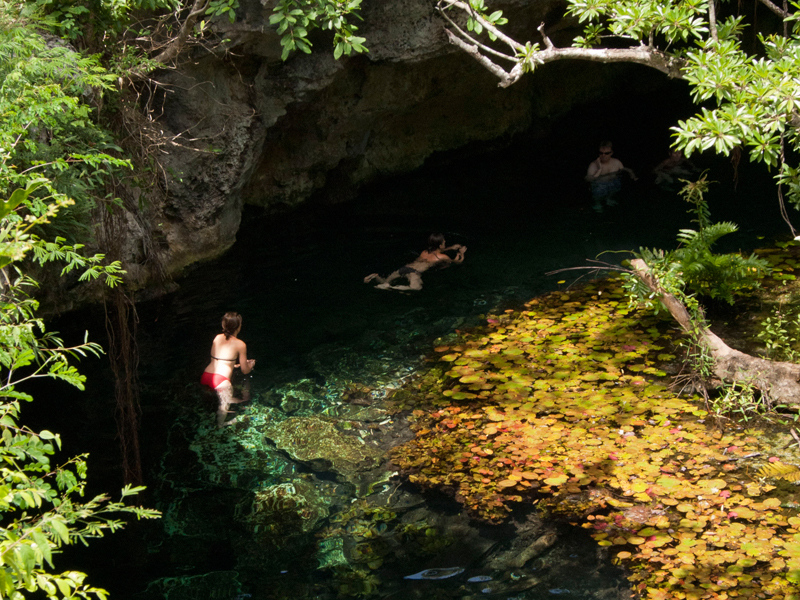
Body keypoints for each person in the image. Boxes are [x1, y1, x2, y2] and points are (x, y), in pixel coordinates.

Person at [201, 312, 255, 427]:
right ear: (239, 326)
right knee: (224, 405)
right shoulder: (240, 344)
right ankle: (221, 423)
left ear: (223, 325)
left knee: (209, 401)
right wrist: (250, 366)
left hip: (206, 375)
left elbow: (221, 359)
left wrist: (235, 365)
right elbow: (245, 371)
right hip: (221, 381)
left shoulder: (217, 337)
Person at [364, 233, 466, 291]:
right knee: (416, 288)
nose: (445, 242)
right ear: (440, 245)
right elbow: (457, 262)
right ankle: (390, 287)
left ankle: (375, 276)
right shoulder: (442, 257)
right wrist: (461, 253)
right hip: (414, 273)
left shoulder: (424, 252)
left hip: (404, 268)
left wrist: (451, 248)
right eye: (444, 242)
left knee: (385, 280)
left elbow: (436, 251)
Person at [585, 141, 637, 212]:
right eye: (601, 153)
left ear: (611, 153)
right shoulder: (594, 165)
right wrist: (599, 170)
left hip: (613, 181)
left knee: (615, 187)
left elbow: (623, 169)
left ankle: (608, 199)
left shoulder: (616, 162)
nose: (603, 155)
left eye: (607, 153)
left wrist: (631, 174)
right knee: (598, 192)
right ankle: (598, 204)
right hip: (600, 184)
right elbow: (588, 179)